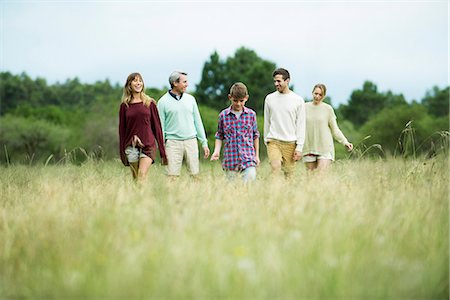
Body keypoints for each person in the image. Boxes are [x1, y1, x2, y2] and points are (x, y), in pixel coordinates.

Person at [157, 71, 210, 178]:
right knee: (171, 176)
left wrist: (204, 143)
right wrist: (162, 148)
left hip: (191, 141)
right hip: (172, 143)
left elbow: (197, 121)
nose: (187, 84)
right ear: (175, 83)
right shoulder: (162, 102)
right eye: (184, 82)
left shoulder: (191, 99)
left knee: (195, 175)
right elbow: (160, 127)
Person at [119, 72, 167, 181]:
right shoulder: (124, 106)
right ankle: (139, 197)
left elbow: (157, 128)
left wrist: (163, 153)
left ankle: (145, 198)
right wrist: (122, 152)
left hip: (148, 145)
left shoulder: (150, 103)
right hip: (131, 146)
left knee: (141, 175)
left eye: (140, 80)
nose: (138, 83)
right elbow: (122, 130)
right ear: (129, 84)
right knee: (136, 179)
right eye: (135, 80)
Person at [210, 82, 260, 182]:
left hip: (248, 158)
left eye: (241, 101)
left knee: (249, 182)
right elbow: (219, 135)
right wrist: (216, 151)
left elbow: (255, 135)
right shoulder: (223, 115)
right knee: (233, 189)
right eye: (235, 100)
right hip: (231, 159)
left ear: (246, 98)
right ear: (230, 97)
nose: (238, 104)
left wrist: (256, 156)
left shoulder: (251, 115)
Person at [263, 68, 306, 178]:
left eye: (279, 81)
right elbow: (267, 121)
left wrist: (299, 147)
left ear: (287, 81)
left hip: (290, 142)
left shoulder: (298, 100)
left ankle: (285, 194)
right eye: (275, 81)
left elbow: (301, 125)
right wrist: (266, 139)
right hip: (273, 141)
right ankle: (273, 192)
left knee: (289, 175)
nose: (276, 84)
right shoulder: (269, 99)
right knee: (275, 167)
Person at [303, 83, 353, 171]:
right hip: (309, 147)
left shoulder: (328, 109)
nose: (317, 96)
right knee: (310, 179)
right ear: (312, 93)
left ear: (324, 96)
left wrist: (345, 142)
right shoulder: (304, 107)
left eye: (320, 95)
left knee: (320, 177)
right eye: (316, 93)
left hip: (325, 148)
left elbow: (335, 130)